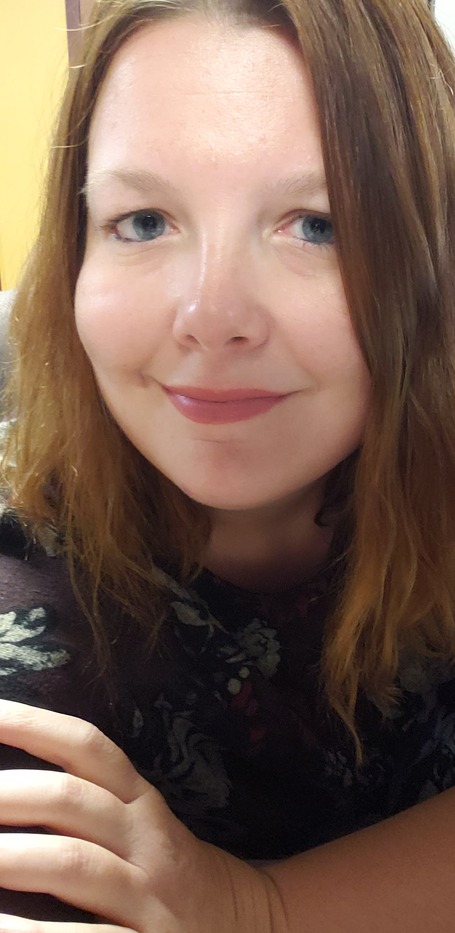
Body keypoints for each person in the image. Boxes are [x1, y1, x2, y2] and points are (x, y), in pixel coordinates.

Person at [0, 0, 455, 927]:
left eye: (316, 225)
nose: (209, 316)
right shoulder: (34, 640)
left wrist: (264, 907)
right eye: (142, 221)